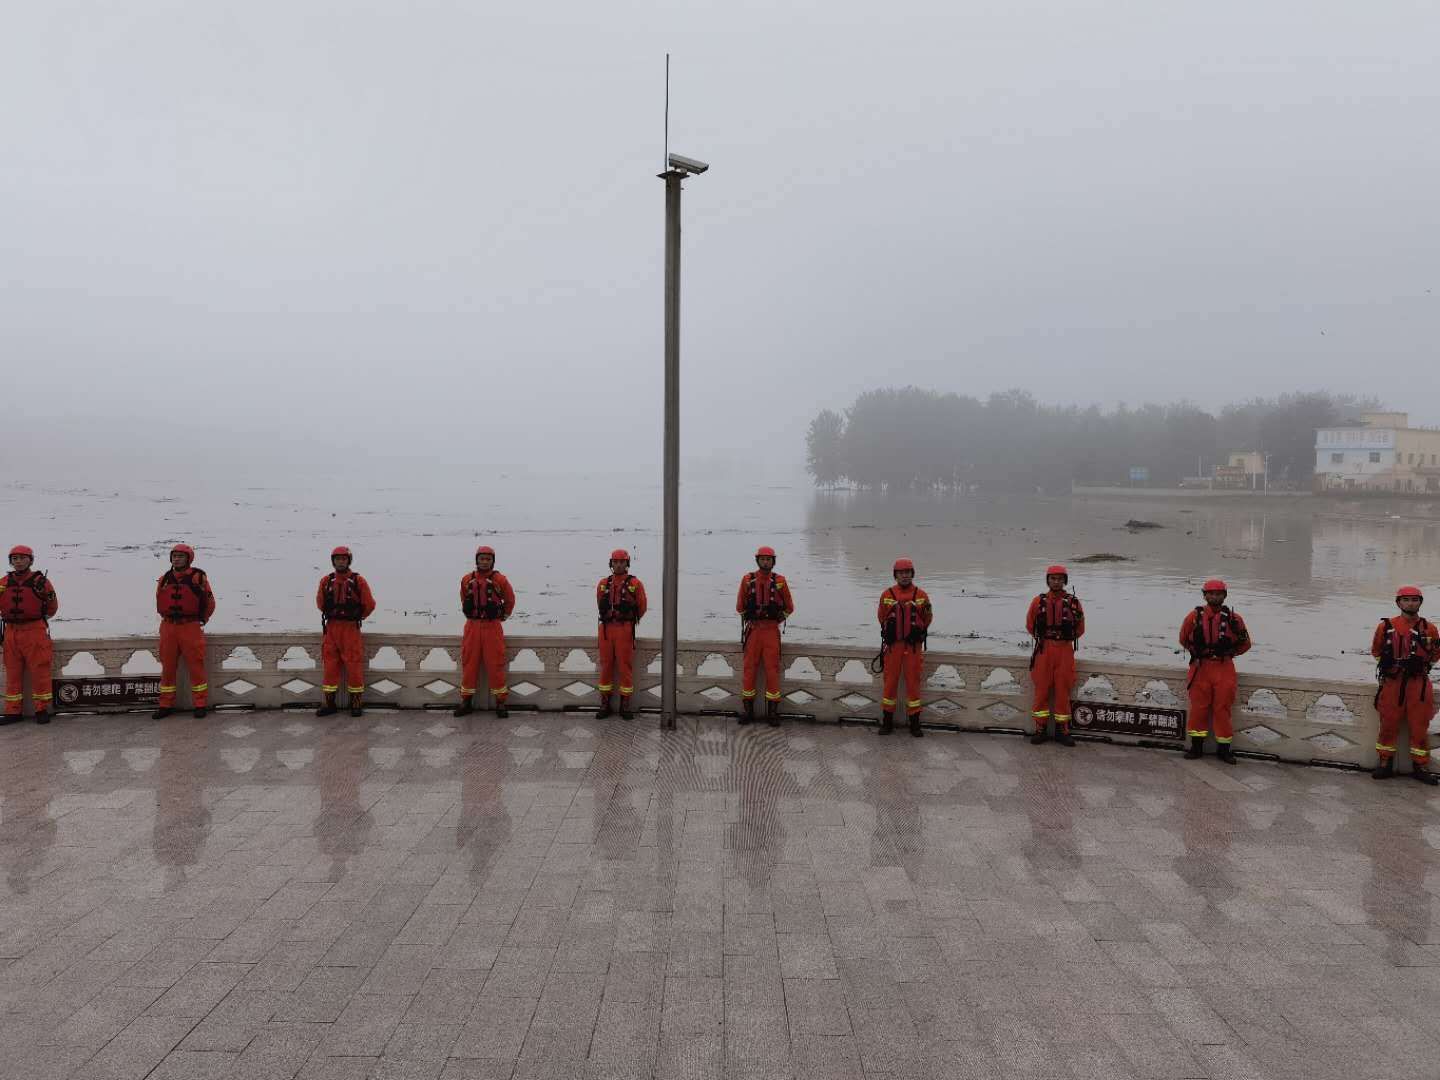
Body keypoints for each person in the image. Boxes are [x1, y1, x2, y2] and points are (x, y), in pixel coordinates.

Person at [1178, 578, 1251, 764]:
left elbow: (1245, 644)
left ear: (1224, 596)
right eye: (1211, 593)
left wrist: (1229, 654)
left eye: (1218, 593)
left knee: (1223, 709)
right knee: (1198, 709)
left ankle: (1224, 750)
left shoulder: (1235, 619)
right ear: (1205, 595)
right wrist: (1199, 653)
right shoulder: (1193, 617)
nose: (1214, 596)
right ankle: (1196, 747)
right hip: (1200, 668)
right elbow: (1183, 639)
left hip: (1224, 667)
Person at [1370, 585, 1438, 784]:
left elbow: (1436, 653)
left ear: (1420, 602)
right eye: (1406, 599)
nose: (1411, 603)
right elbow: (1375, 650)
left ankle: (1421, 766)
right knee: (1388, 724)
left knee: (1420, 726)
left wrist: (1423, 667)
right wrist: (1387, 664)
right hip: (1392, 682)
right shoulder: (1385, 626)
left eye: (1415, 599)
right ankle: (1385, 764)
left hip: (1419, 684)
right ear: (1398, 602)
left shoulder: (1430, 628)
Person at [152, 543, 217, 720]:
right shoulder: (164, 578)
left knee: (196, 666)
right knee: (167, 667)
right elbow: (159, 601)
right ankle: (165, 704)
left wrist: (202, 620)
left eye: (180, 556)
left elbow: (210, 603)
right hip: (168, 627)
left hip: (191, 627)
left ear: (188, 559)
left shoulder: (199, 578)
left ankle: (200, 704)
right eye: (174, 556)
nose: (176, 558)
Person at [1026, 564, 1084, 747]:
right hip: (1044, 650)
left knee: (1063, 690)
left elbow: (1080, 629)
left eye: (1060, 579)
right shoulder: (1038, 601)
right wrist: (1047, 640)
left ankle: (1062, 730)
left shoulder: (1074, 602)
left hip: (1065, 651)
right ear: (1048, 580)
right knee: (1041, 689)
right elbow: (1030, 625)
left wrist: (1062, 641)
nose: (1056, 582)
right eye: (1053, 578)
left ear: (1065, 581)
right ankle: (1040, 729)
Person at [455, 545, 516, 718]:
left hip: (492, 627)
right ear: (476, 560)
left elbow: (510, 600)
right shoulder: (467, 579)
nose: (484, 562)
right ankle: (466, 701)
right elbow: (463, 598)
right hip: (472, 626)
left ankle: (501, 703)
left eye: (488, 559)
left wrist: (503, 615)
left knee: (496, 664)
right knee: (469, 664)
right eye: (481, 559)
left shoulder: (500, 580)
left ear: (493, 561)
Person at [737, 545, 794, 727]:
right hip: (753, 630)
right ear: (757, 560)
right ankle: (748, 712)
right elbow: (740, 606)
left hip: (770, 632)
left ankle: (773, 714)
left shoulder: (780, 581)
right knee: (749, 671)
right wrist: (749, 614)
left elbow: (790, 608)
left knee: (772, 671)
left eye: (768, 559)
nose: (765, 562)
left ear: (773, 561)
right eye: (762, 559)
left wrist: (778, 617)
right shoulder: (747, 580)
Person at [316, 546, 375, 717]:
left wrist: (357, 617)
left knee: (354, 666)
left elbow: (369, 604)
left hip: (350, 629)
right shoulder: (325, 581)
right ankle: (329, 704)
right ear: (333, 561)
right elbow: (320, 603)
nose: (340, 562)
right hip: (332, 628)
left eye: (343, 559)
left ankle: (356, 704)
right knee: (330, 667)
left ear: (349, 560)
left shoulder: (359, 581)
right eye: (337, 559)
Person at [2, 545, 58, 724]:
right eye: (14, 558)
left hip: (35, 631)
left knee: (40, 670)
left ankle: (42, 710)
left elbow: (52, 607)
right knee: (12, 672)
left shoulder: (41, 582)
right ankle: (13, 712)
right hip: (10, 632)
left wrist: (36, 621)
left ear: (30, 560)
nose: (18, 561)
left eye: (22, 558)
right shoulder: (3, 583)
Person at [877, 557, 932, 737]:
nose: (905, 576)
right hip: (893, 648)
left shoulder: (922, 595)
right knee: (890, 684)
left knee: (913, 684)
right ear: (895, 575)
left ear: (912, 574)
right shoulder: (886, 595)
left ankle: (915, 724)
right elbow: (881, 618)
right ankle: (887, 723)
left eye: (908, 572)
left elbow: (928, 619)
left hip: (913, 648)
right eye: (901, 573)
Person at [595, 549, 647, 719]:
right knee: (606, 666)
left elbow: (642, 607)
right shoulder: (603, 583)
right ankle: (605, 703)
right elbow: (599, 602)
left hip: (625, 629)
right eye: (615, 562)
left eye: (621, 562)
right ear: (611, 563)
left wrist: (629, 618)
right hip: (606, 630)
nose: (618, 564)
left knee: (625, 667)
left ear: (627, 564)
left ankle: (625, 705)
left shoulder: (635, 584)